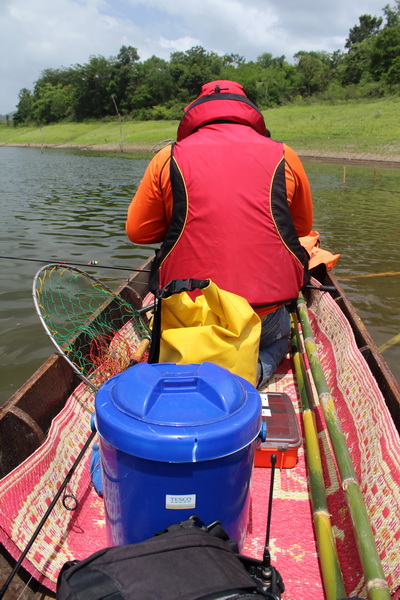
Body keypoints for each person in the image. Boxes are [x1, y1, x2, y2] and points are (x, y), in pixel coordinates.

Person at [126, 80, 313, 387]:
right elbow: (301, 229)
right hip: (261, 316)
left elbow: (138, 232)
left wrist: (180, 223)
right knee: (279, 338)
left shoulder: (167, 157)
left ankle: (192, 369)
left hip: (188, 314)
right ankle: (248, 374)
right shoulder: (285, 156)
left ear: (195, 114)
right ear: (251, 113)